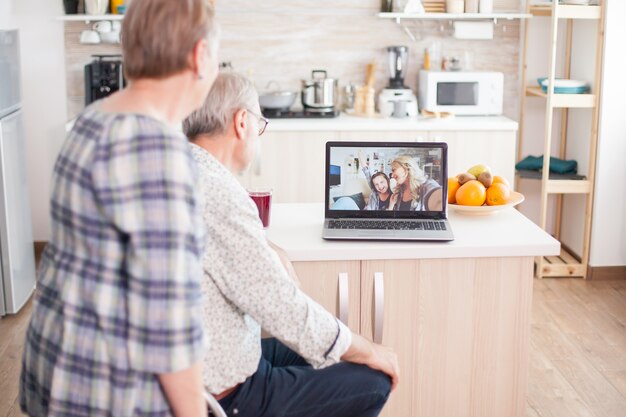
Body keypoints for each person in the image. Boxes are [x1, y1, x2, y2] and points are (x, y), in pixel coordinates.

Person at [19, 1, 219, 416]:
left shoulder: (95, 118)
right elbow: (168, 320)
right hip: (104, 392)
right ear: (200, 56)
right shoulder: (155, 151)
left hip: (54, 366)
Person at [182, 71, 399, 417]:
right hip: (225, 393)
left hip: (206, 362)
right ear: (241, 123)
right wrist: (371, 349)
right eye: (260, 124)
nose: (258, 134)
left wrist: (266, 247)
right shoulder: (220, 193)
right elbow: (286, 311)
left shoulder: (185, 169)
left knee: (324, 353)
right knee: (373, 380)